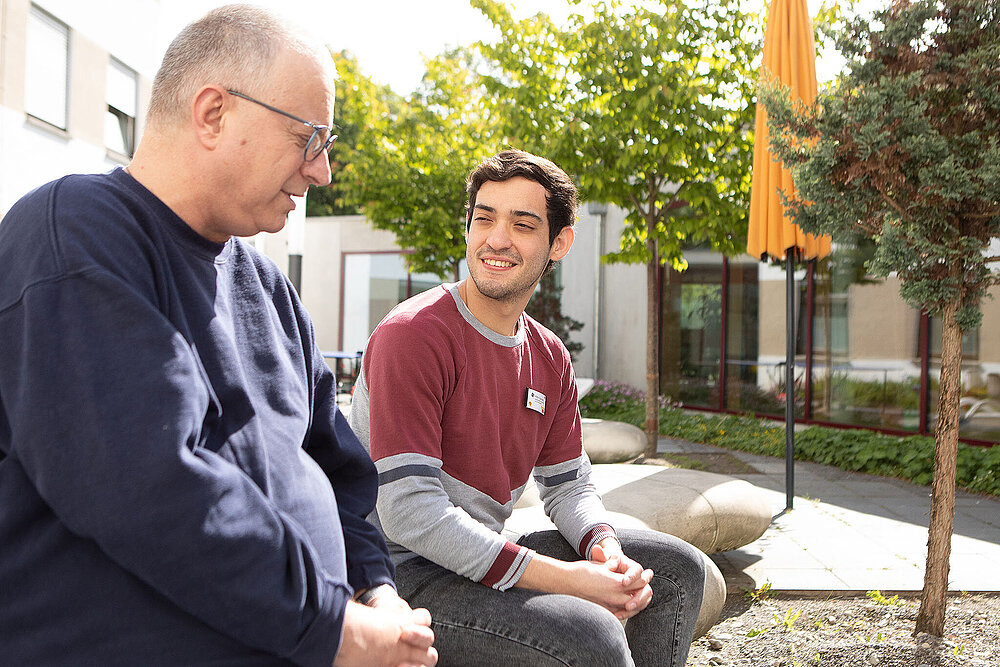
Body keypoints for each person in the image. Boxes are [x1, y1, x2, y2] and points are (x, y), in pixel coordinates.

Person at [0, 6, 435, 667]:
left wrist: (377, 590)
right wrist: (337, 631)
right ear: (212, 113)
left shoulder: (269, 287)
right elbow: (150, 489)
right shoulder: (74, 236)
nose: (322, 172)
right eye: (309, 138)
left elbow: (338, 466)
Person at [349, 149, 706, 666]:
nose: (496, 239)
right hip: (398, 573)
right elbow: (407, 514)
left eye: (522, 224)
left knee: (676, 571)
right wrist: (566, 579)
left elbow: (569, 485)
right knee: (592, 636)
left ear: (559, 242)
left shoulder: (549, 355)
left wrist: (604, 551)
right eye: (484, 218)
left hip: (478, 553)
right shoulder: (413, 336)